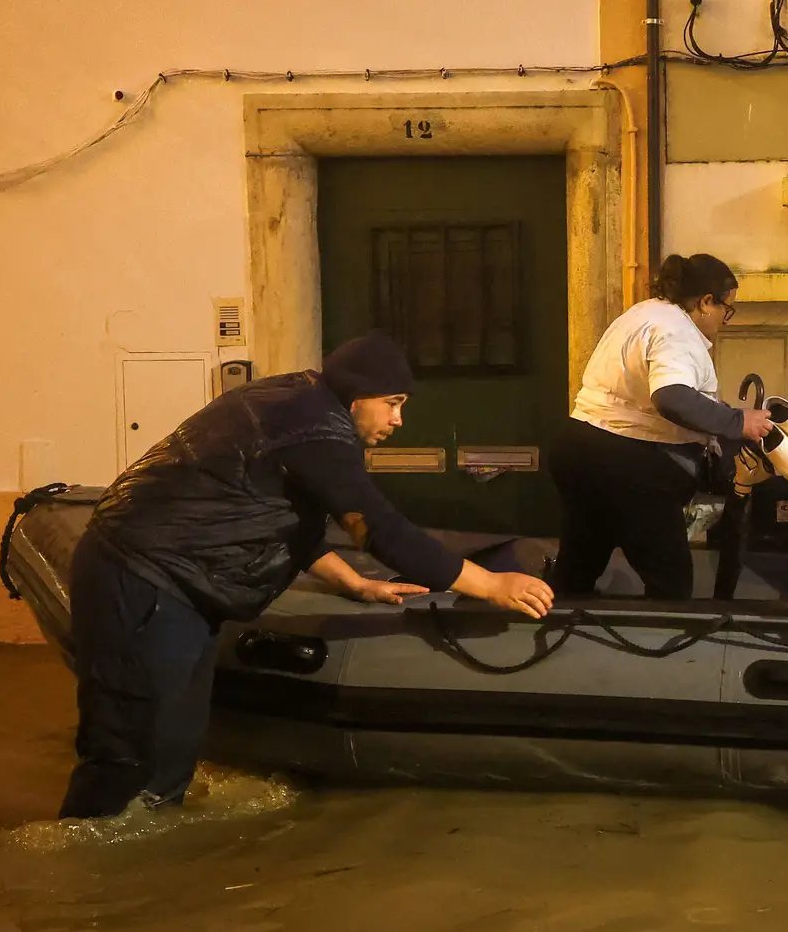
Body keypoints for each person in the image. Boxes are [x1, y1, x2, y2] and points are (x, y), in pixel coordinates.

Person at [64, 331, 554, 819]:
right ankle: (82, 871)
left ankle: (142, 869)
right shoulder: (314, 427)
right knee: (128, 754)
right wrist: (491, 583)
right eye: (393, 403)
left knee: (175, 743)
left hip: (176, 587)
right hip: (142, 578)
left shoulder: (301, 402)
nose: (399, 419)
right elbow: (380, 529)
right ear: (359, 396)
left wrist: (353, 582)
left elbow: (280, 515)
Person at [552, 252, 772, 599]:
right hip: (626, 464)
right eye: (726, 309)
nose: (726, 320)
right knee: (670, 581)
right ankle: (663, 649)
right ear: (705, 302)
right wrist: (737, 421)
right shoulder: (676, 331)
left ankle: (550, 635)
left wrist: (718, 412)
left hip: (581, 446)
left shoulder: (643, 313)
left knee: (578, 567)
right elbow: (671, 397)